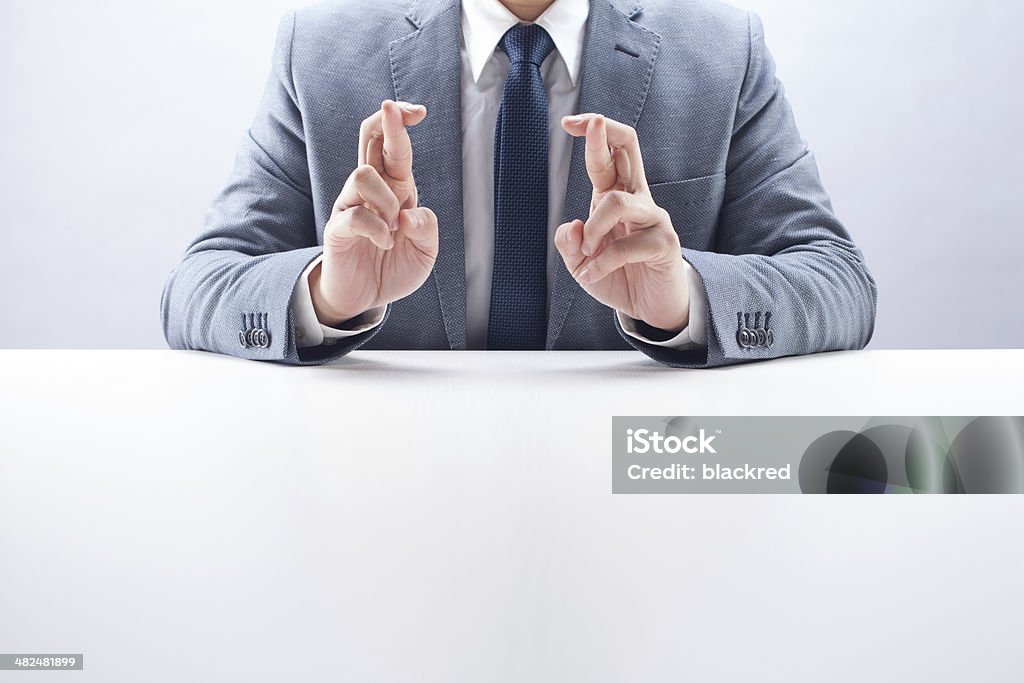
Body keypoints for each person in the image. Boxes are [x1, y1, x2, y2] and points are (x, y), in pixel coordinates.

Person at [160, 0, 877, 368]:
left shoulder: (723, 48)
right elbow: (199, 287)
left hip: (648, 495)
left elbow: (839, 283)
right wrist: (328, 295)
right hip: (384, 496)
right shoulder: (319, 49)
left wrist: (685, 299)